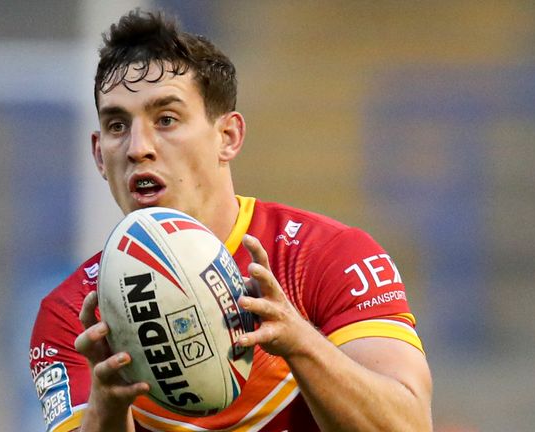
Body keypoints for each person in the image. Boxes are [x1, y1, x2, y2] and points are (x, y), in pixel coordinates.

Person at [30, 9, 432, 432]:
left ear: (228, 137)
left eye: (166, 119)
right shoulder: (74, 315)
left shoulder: (325, 257)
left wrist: (300, 343)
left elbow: (408, 425)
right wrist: (108, 406)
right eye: (117, 125)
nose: (138, 147)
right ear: (98, 153)